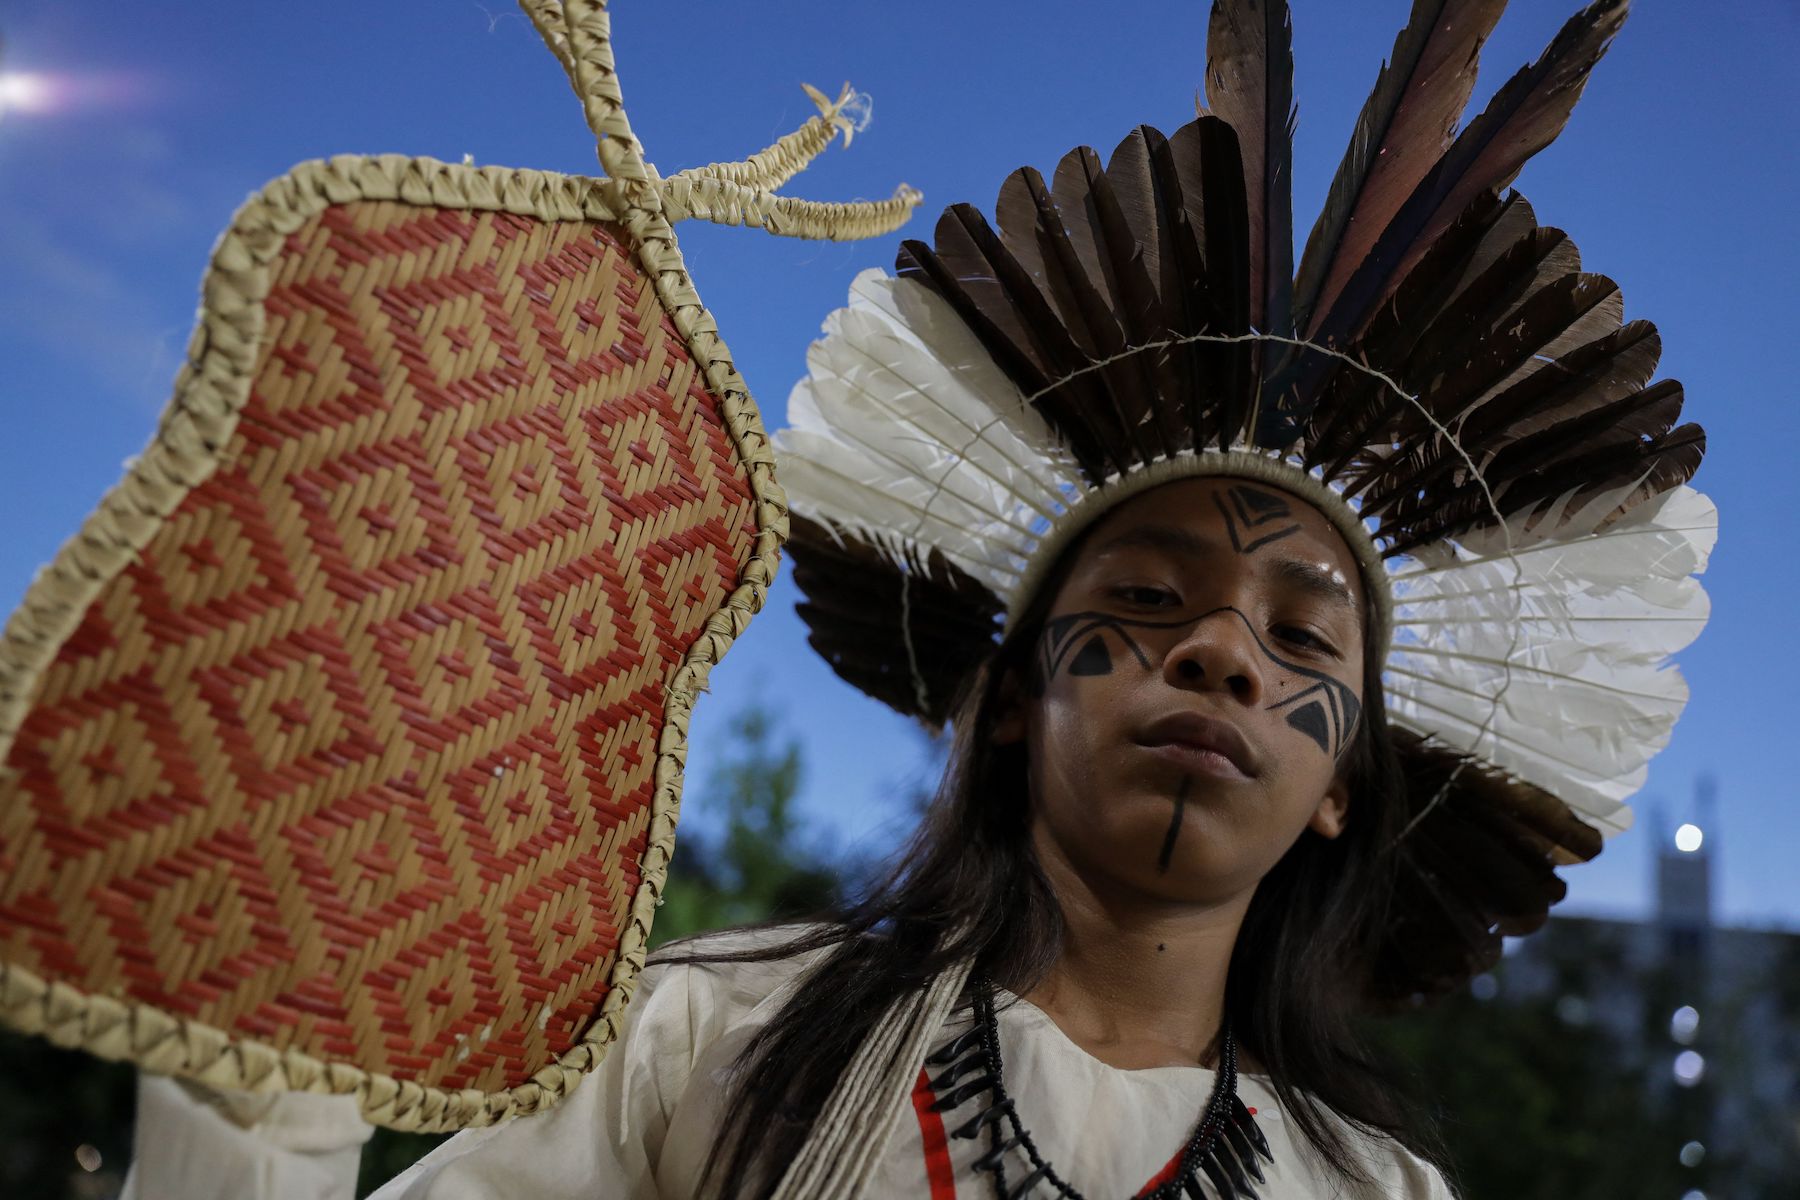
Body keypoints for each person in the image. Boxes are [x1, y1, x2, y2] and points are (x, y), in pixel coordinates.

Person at [124, 0, 1716, 1196]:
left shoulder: (1373, 1190)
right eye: (1152, 602)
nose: (1227, 654)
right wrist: (263, 1059)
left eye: (1302, 635)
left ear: (1340, 786)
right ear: (1017, 693)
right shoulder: (708, 1041)